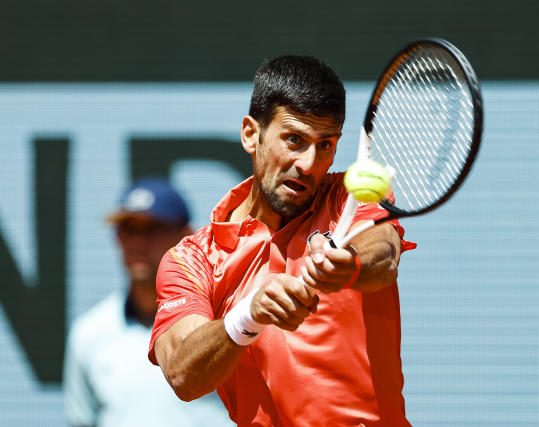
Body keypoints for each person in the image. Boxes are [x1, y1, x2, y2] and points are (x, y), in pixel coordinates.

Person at [149, 56, 416, 426]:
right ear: (250, 135)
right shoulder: (191, 261)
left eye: (325, 145)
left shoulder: (350, 197)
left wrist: (349, 265)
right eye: (294, 140)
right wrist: (247, 316)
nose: (308, 163)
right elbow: (181, 374)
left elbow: (384, 255)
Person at [63, 178, 234, 427]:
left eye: (153, 229)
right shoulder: (89, 332)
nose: (138, 243)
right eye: (128, 230)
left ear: (187, 236)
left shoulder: (225, 324)